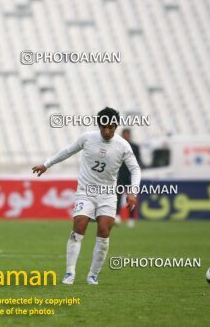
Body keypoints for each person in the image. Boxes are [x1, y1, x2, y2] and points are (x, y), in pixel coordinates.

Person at [32, 107, 141, 285]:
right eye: (104, 127)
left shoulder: (123, 145)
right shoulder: (87, 138)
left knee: (104, 232)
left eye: (111, 127)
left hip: (107, 195)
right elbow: (68, 150)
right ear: (99, 125)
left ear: (116, 126)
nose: (107, 131)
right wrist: (46, 164)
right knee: (79, 227)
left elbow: (135, 169)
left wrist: (132, 192)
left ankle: (93, 275)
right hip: (86, 192)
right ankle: (69, 273)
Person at [116, 129, 143, 227]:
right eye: (125, 135)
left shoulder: (135, 147)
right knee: (117, 197)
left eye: (128, 135)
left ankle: (131, 219)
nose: (126, 136)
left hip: (131, 176)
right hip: (121, 175)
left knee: (131, 198)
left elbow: (139, 160)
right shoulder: (118, 146)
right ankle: (117, 216)